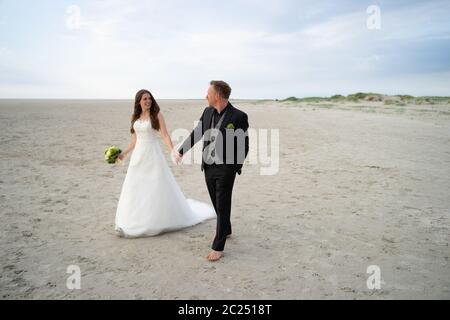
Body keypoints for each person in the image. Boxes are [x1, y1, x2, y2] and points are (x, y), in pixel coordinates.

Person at [114, 89, 215, 238]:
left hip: (153, 154)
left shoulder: (157, 115)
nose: (148, 101)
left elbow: (165, 135)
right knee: (136, 187)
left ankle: (153, 221)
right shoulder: (135, 117)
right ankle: (133, 221)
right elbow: (134, 141)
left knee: (154, 186)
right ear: (138, 102)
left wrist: (173, 150)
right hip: (138, 157)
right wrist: (123, 154)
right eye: (144, 99)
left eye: (149, 98)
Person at [175, 80, 249, 261]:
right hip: (208, 165)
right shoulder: (207, 112)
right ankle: (226, 229)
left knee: (223, 203)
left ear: (217, 95)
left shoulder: (239, 116)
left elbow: (244, 145)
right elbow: (197, 133)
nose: (205, 96)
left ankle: (218, 245)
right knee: (216, 202)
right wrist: (181, 150)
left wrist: (234, 167)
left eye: (208, 93)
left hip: (226, 168)